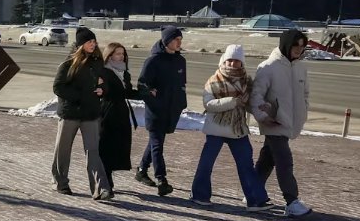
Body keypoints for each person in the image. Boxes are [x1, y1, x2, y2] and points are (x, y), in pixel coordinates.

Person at [191, 44, 271, 210]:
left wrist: (262, 107)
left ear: (242, 63)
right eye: (230, 60)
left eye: (237, 61)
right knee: (206, 164)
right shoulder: (214, 80)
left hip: (237, 129)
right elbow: (209, 104)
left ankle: (255, 200)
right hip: (216, 129)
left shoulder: (247, 82)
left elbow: (249, 105)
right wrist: (232, 101)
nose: (233, 64)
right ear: (224, 61)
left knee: (246, 165)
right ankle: (200, 195)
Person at [251, 28, 312, 217]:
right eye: (295, 45)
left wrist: (303, 111)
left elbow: (305, 94)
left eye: (302, 47)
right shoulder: (268, 67)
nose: (299, 50)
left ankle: (253, 192)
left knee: (267, 160)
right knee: (285, 161)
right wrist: (264, 116)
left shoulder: (301, 67)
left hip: (291, 123)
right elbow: (256, 96)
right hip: (274, 122)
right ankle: (291, 201)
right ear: (286, 44)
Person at [51, 27, 112, 199]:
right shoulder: (68, 63)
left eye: (94, 41)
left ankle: (101, 188)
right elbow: (58, 87)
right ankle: (60, 182)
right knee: (62, 150)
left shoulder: (98, 62)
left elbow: (104, 84)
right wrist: (80, 97)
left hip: (91, 114)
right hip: (70, 113)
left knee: (93, 151)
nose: (93, 45)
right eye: (89, 42)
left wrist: (102, 89)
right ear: (80, 44)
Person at [135, 25, 187, 196]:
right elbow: (142, 85)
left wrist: (181, 104)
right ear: (166, 41)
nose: (179, 42)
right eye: (176, 39)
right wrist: (152, 97)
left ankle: (142, 170)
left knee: (155, 142)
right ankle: (161, 180)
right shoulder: (153, 61)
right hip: (155, 110)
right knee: (157, 145)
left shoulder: (181, 61)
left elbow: (181, 86)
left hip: (171, 111)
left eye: (180, 39)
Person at [98, 41, 137, 195]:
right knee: (106, 146)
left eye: (123, 54)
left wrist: (145, 93)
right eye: (118, 53)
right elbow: (103, 90)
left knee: (118, 147)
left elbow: (127, 93)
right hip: (107, 112)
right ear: (110, 55)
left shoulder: (124, 72)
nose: (121, 57)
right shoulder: (104, 71)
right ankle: (105, 181)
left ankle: (109, 177)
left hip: (121, 112)